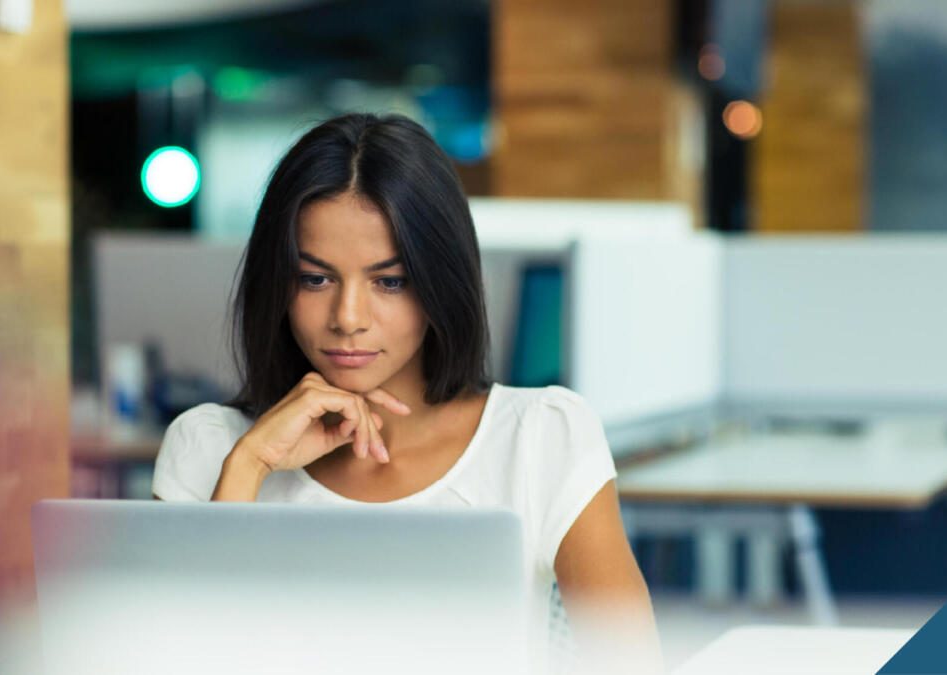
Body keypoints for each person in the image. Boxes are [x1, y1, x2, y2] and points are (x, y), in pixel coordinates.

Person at [151, 112, 663, 675]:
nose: (347, 319)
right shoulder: (207, 449)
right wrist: (249, 466)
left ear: (439, 282)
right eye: (314, 278)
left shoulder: (542, 436)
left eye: (389, 281)